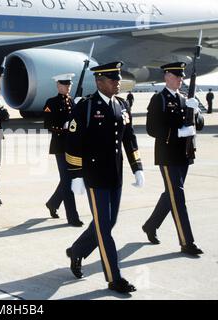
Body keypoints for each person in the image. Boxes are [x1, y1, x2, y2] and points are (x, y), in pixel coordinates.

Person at [64, 62, 144, 294]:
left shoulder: (122, 105)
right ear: (99, 81)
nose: (117, 83)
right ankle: (114, 278)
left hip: (115, 175)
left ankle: (77, 250)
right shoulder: (86, 107)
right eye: (112, 80)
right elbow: (73, 142)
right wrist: (76, 175)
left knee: (107, 223)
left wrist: (137, 166)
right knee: (105, 230)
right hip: (94, 175)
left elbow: (129, 138)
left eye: (118, 79)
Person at [142, 62, 205, 256]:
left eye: (181, 76)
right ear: (166, 76)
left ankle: (150, 225)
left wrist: (196, 111)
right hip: (167, 156)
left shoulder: (185, 99)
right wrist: (177, 132)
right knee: (178, 198)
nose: (180, 79)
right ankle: (187, 242)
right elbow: (152, 129)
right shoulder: (158, 99)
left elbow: (198, 126)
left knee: (171, 195)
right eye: (177, 75)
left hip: (184, 155)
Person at [41, 73, 83, 226]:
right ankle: (73, 217)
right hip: (60, 145)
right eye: (65, 84)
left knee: (69, 179)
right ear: (58, 86)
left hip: (73, 146)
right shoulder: (50, 103)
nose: (68, 87)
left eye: (70, 84)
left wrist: (80, 107)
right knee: (67, 181)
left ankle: (53, 203)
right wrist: (62, 126)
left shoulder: (73, 101)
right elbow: (47, 124)